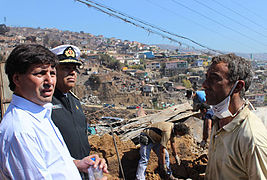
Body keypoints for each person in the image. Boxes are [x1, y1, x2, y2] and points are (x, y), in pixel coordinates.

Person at [0, 44, 108, 179]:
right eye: (40, 73)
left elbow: (51, 163)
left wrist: (76, 163)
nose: (50, 81)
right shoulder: (21, 130)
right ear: (17, 79)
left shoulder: (40, 115)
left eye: (52, 73)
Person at [203, 53, 267, 179]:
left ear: (237, 86)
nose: (204, 84)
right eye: (206, 78)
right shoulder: (219, 122)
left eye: (214, 78)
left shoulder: (251, 138)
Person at [50, 44, 92, 179]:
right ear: (53, 71)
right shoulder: (46, 104)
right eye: (66, 68)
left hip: (83, 172)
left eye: (74, 68)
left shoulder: (75, 102)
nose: (72, 72)